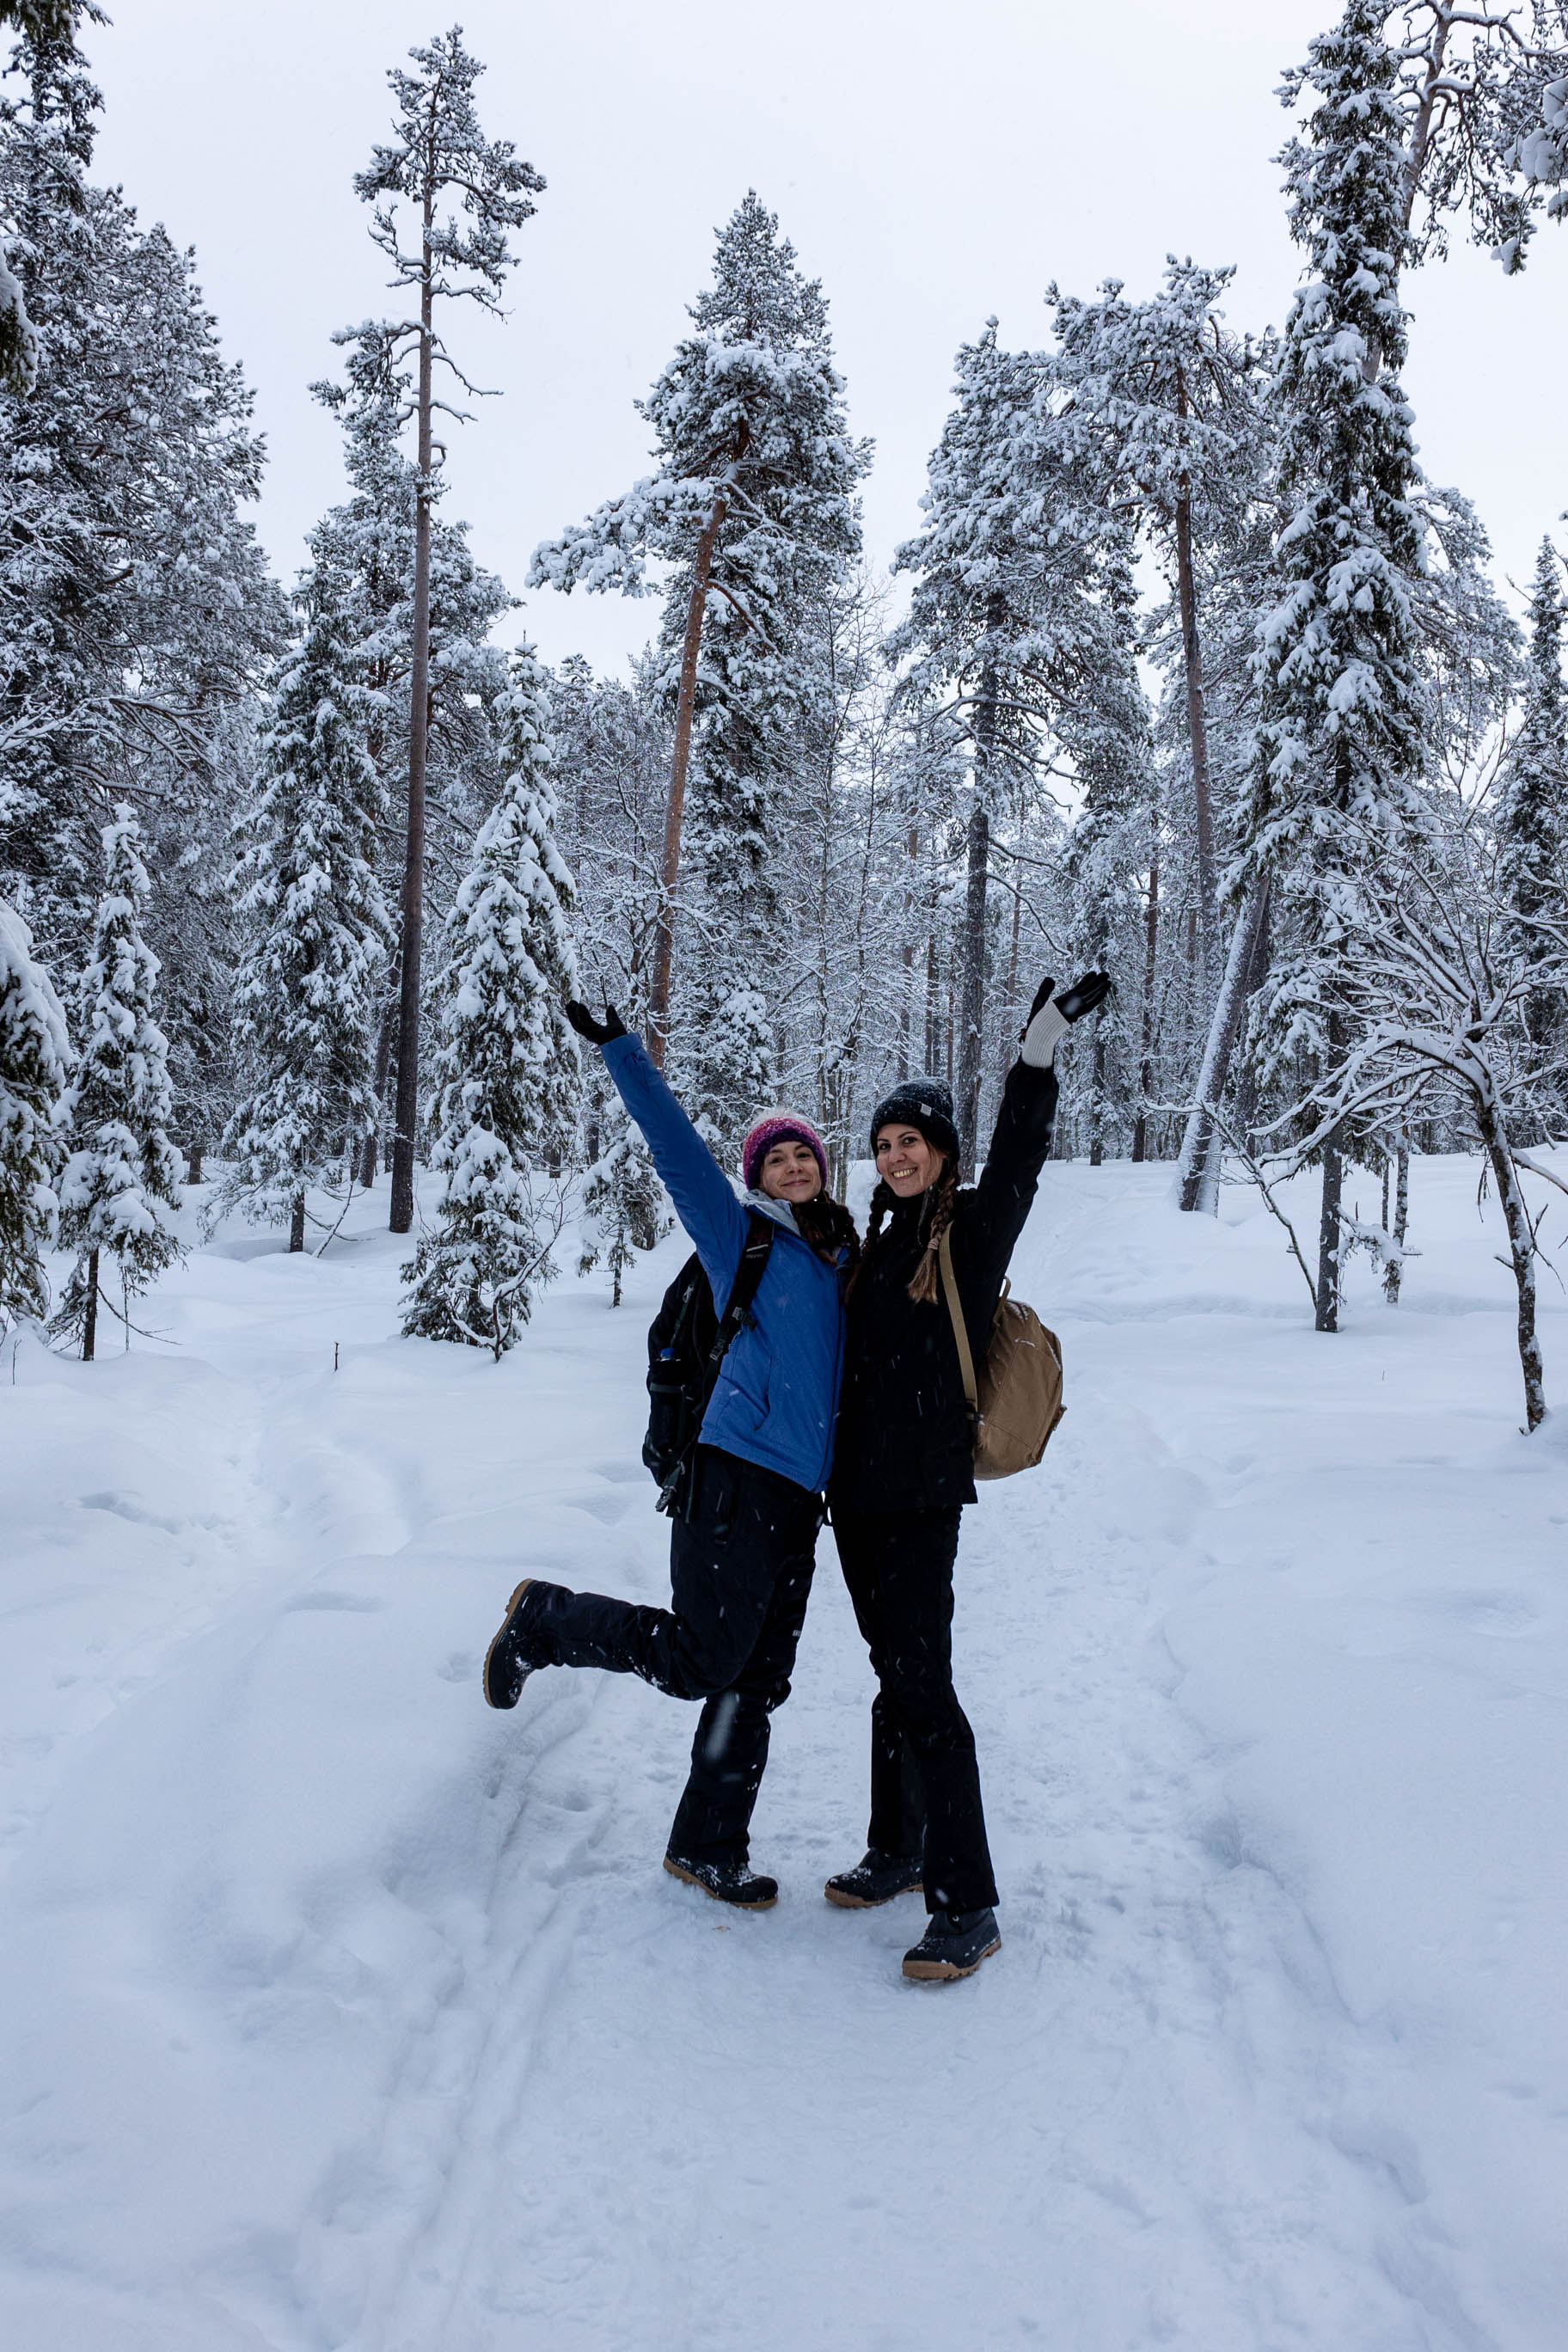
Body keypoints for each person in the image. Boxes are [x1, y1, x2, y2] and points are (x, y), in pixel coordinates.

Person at [481, 1001, 859, 1911]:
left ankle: (707, 1848)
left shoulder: (845, 1258)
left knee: (760, 1677)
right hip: (733, 1473)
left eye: (804, 1152)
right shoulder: (746, 1241)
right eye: (777, 1157)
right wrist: (622, 1055)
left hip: (802, 1498)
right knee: (699, 1659)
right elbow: (677, 1153)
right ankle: (546, 1619)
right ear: (758, 1176)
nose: (795, 1164)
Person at [824, 971, 1111, 1981]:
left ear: (942, 1154)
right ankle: (898, 1846)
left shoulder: (967, 1233)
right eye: (886, 1143)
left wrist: (1033, 1057)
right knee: (891, 1679)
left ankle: (968, 1902)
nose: (898, 1156)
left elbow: (1022, 1161)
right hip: (854, 1502)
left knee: (925, 1691)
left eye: (914, 1141)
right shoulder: (874, 1242)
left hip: (918, 1499)